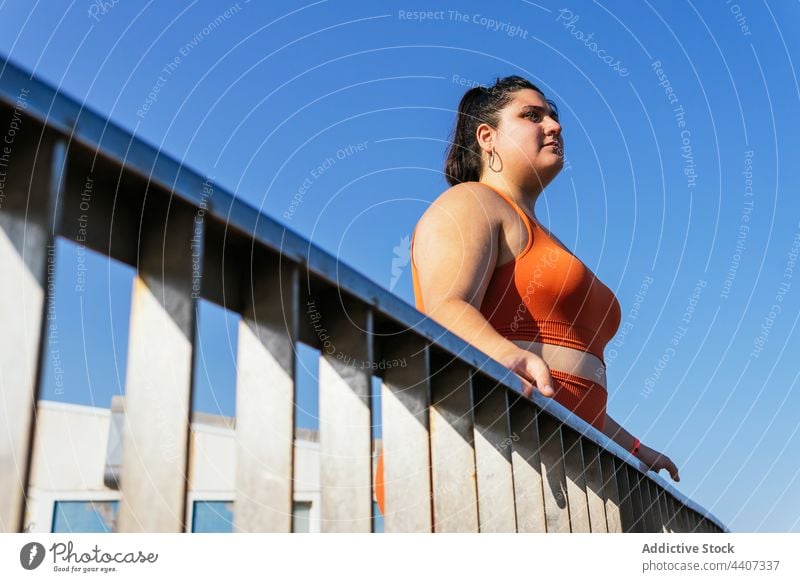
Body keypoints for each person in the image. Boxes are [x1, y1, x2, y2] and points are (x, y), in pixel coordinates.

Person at [375, 75, 678, 518]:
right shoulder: (473, 203)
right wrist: (504, 354)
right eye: (532, 115)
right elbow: (443, 309)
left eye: (554, 116)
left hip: (547, 456)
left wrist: (632, 446)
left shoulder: (544, 236)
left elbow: (561, 381)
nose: (553, 126)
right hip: (478, 455)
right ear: (487, 137)